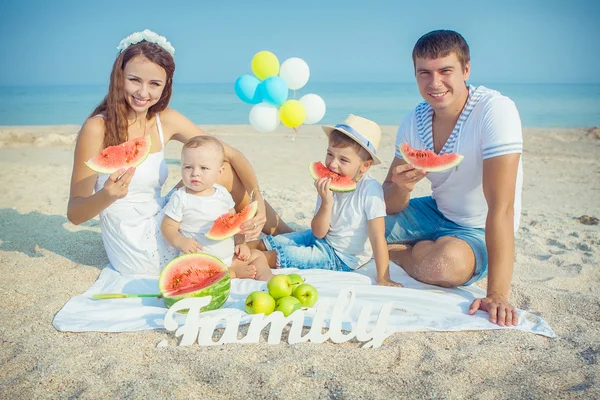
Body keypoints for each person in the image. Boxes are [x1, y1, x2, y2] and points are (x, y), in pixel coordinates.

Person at [67, 29, 290, 276]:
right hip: (136, 244)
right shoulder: (97, 128)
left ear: (166, 85)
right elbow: (75, 214)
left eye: (154, 84)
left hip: (161, 215)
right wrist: (107, 195)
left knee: (217, 169)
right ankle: (278, 248)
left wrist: (256, 197)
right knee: (217, 194)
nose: (143, 93)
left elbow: (232, 154)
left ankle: (287, 235)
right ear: (118, 76)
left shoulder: (165, 120)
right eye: (134, 80)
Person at [383, 30, 523, 326]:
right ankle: (417, 244)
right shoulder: (414, 120)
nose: (435, 84)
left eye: (445, 71)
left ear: (466, 69)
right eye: (424, 73)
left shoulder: (494, 110)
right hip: (435, 211)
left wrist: (497, 294)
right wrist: (402, 188)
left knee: (443, 266)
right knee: (355, 220)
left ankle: (396, 252)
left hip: (478, 228)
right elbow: (389, 202)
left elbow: (503, 207)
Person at [256, 115, 402, 287]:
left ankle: (234, 267)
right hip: (320, 237)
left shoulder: (370, 190)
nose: (332, 165)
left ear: (365, 165)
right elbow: (318, 232)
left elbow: (378, 236)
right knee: (262, 244)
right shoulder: (327, 184)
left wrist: (383, 277)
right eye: (330, 154)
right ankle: (228, 253)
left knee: (269, 257)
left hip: (340, 258)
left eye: (343, 160)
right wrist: (326, 203)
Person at [161, 136, 273, 281]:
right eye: (188, 167)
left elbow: (234, 223)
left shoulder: (222, 193)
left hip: (228, 256)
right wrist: (179, 241)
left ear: (219, 172)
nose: (195, 173)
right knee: (195, 274)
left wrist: (241, 243)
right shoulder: (181, 197)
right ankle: (233, 273)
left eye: (204, 168)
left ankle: (267, 279)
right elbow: (167, 226)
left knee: (258, 256)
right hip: (200, 261)